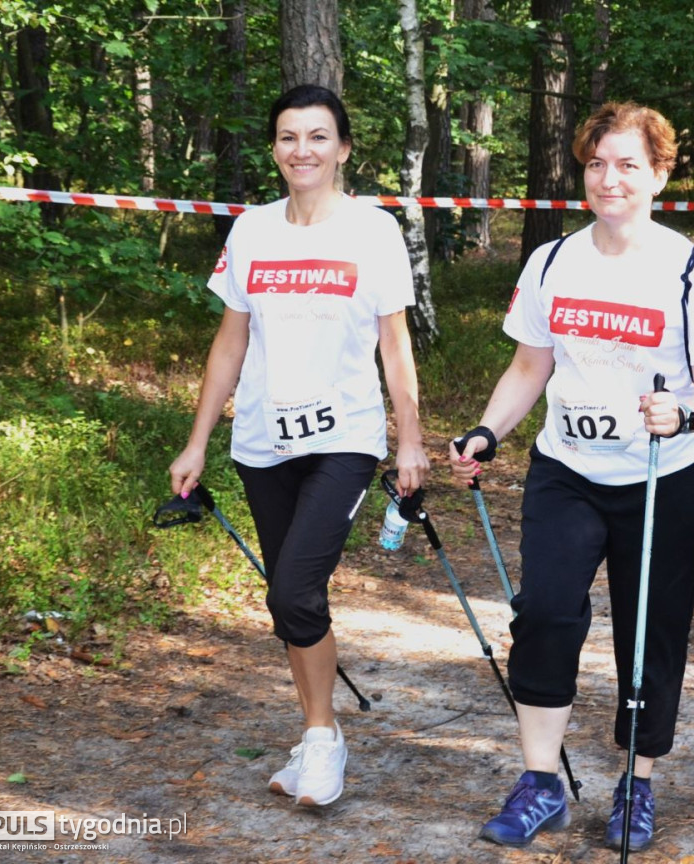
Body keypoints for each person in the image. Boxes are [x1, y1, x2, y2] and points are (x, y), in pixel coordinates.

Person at [449, 101, 694, 851]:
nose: (609, 179)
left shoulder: (688, 271)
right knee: (545, 611)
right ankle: (541, 782)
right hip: (568, 471)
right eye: (596, 163)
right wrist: (488, 431)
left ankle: (636, 785)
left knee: (651, 636)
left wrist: (681, 415)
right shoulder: (552, 261)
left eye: (628, 165)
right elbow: (528, 367)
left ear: (660, 175)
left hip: (662, 477)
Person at [169, 84, 430, 809]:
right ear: (275, 151)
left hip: (344, 436)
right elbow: (230, 340)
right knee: (288, 601)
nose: (302, 150)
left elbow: (395, 345)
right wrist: (197, 443)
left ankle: (321, 743)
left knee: (294, 589)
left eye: (318, 137)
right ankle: (320, 735)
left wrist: (409, 440)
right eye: (288, 137)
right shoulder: (252, 231)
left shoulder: (373, 231)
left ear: (343, 149)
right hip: (261, 439)